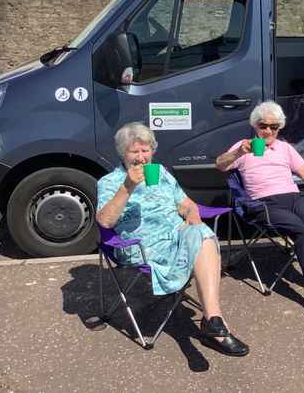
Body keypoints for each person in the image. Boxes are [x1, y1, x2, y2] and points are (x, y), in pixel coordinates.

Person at [96, 122, 249, 357]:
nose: (141, 157)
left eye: (145, 150)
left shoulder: (163, 173)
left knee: (202, 233)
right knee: (202, 238)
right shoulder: (109, 183)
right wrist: (128, 187)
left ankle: (213, 319)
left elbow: (186, 204)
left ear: (152, 151)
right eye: (134, 151)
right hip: (142, 249)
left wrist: (191, 216)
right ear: (122, 153)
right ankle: (214, 329)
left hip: (176, 237)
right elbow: (105, 221)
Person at [216, 101, 304, 323]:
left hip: (292, 197)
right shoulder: (243, 146)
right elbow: (220, 165)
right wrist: (238, 152)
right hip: (263, 203)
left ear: (279, 128)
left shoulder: (285, 147)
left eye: (274, 127)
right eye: (263, 126)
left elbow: (303, 171)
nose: (268, 131)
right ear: (255, 125)